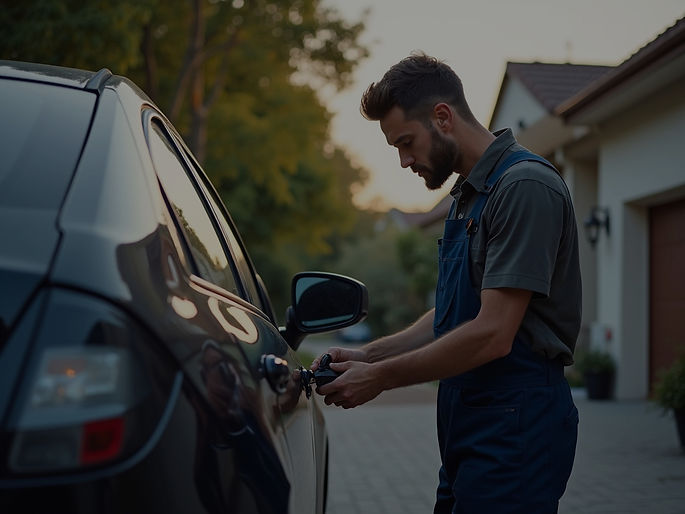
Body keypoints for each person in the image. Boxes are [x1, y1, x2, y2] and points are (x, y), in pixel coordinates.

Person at [313, 53, 581, 514]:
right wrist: (367, 354)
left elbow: (494, 333)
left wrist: (379, 378)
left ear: (442, 117)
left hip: (515, 422)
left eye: (406, 142)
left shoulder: (524, 187)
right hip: (468, 422)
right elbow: (458, 312)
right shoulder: (467, 196)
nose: (403, 160)